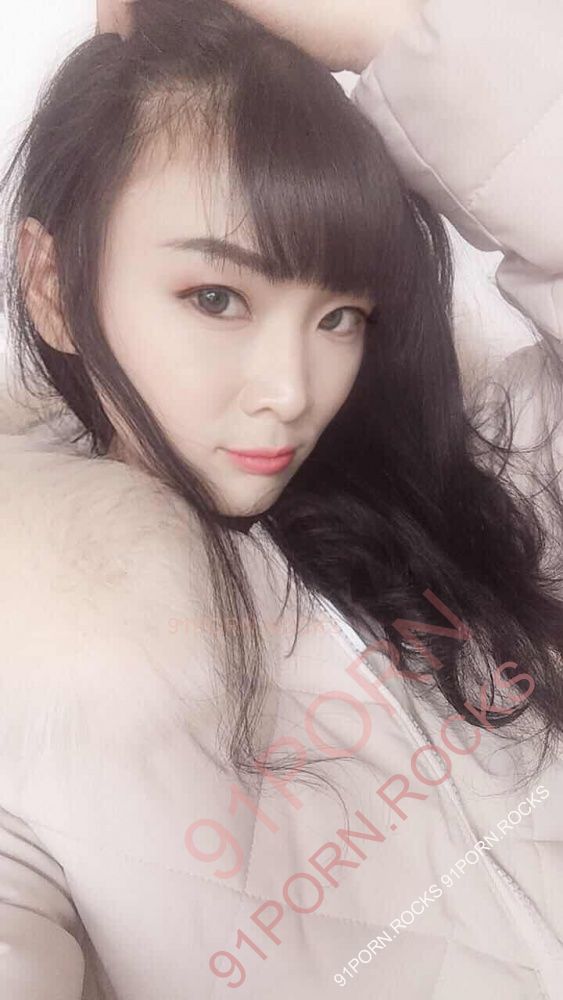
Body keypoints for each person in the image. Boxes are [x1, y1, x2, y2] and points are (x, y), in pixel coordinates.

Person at [0, 0, 562, 997]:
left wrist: (389, 36)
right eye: (216, 298)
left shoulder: (482, 485)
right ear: (52, 285)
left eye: (340, 314)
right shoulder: (32, 665)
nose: (293, 390)